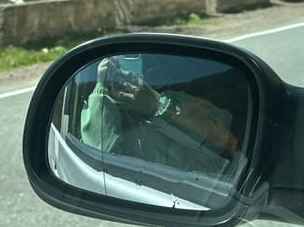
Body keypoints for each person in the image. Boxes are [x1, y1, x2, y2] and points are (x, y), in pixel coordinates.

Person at [80, 56, 237, 175]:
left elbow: (216, 143)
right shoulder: (114, 124)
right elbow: (100, 157)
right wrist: (101, 90)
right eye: (115, 79)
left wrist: (157, 105)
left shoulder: (175, 97)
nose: (126, 82)